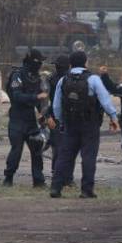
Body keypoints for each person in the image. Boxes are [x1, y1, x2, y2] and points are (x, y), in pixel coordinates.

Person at [49, 50, 120, 199]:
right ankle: (86, 190)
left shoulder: (64, 79)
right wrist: (113, 117)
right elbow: (105, 100)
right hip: (90, 124)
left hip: (70, 123)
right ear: (85, 62)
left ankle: (55, 187)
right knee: (88, 156)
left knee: (65, 156)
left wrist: (61, 121)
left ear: (71, 64)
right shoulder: (93, 79)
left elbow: (56, 105)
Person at [3, 49, 48, 187]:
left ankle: (38, 180)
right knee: (16, 151)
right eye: (39, 61)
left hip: (30, 120)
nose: (40, 64)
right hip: (17, 119)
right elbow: (16, 97)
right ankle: (8, 178)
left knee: (37, 149)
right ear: (33, 61)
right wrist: (35, 97)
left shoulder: (36, 77)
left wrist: (43, 115)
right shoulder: (18, 75)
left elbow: (41, 100)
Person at [43, 54, 74, 187]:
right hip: (59, 116)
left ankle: (65, 177)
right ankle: (61, 176)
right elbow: (46, 101)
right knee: (60, 148)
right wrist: (47, 117)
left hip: (65, 116)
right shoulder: (54, 79)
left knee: (64, 148)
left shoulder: (69, 78)